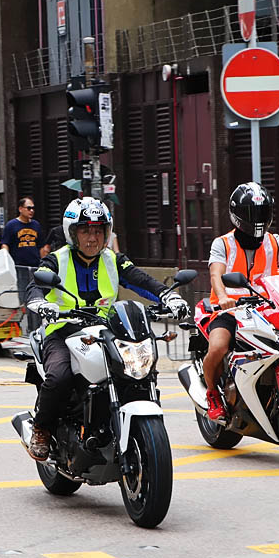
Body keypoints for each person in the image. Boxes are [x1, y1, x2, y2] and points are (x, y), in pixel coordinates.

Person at [23, 197, 188, 460]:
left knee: (136, 370)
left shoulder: (113, 259)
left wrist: (169, 297)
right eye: (85, 230)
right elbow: (35, 286)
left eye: (98, 231)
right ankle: (42, 428)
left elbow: (140, 280)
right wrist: (41, 304)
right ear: (72, 233)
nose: (92, 238)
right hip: (64, 330)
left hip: (104, 329)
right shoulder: (57, 260)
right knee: (59, 377)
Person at [201, 182, 279, 421]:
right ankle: (212, 392)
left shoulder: (276, 242)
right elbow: (216, 274)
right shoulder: (222, 244)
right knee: (217, 347)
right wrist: (224, 297)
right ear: (237, 214)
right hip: (230, 311)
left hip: (266, 310)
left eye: (262, 212)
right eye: (251, 213)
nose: (257, 219)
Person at [3, 197, 46, 332]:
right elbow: (5, 244)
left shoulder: (36, 225)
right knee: (24, 296)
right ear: (20, 209)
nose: (31, 211)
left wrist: (44, 263)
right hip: (19, 266)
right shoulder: (12, 225)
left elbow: (41, 246)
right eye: (28, 208)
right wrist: (7, 261)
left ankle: (37, 326)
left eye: (33, 208)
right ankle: (27, 326)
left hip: (34, 266)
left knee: (37, 295)